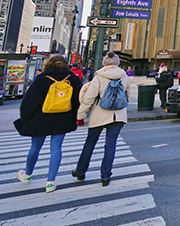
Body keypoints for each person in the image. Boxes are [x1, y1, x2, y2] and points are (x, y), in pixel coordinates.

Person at [16, 54, 82, 193]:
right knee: (56, 148)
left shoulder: (41, 79)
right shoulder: (73, 79)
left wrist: (26, 120)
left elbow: (29, 103)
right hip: (63, 118)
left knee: (35, 147)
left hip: (41, 118)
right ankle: (50, 182)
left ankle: (27, 175)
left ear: (48, 65)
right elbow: (79, 100)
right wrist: (75, 116)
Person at [72, 52, 131, 187]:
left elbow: (89, 98)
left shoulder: (98, 77)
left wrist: (80, 115)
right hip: (118, 115)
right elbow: (127, 97)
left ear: (104, 63)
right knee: (110, 145)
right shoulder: (124, 76)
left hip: (99, 114)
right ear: (117, 63)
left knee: (90, 142)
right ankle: (105, 176)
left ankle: (80, 171)